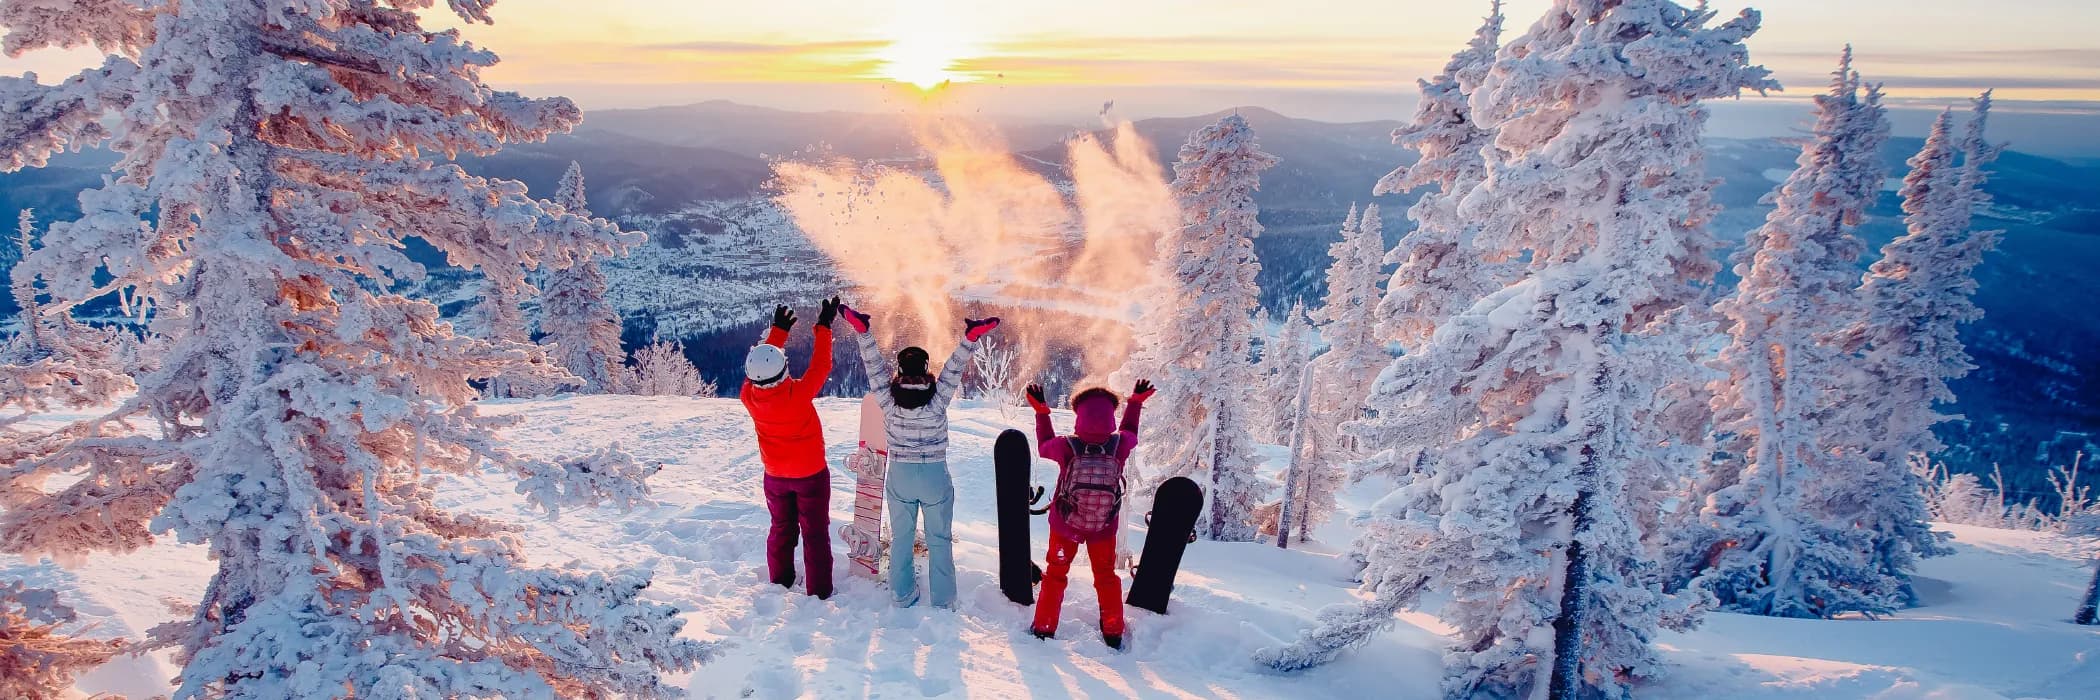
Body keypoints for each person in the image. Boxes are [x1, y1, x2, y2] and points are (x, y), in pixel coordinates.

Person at [841, 304, 999, 608]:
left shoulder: (887, 400)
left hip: (900, 474)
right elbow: (953, 369)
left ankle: (902, 594)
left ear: (899, 371)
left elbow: (873, 368)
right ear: (926, 370)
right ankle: (943, 599)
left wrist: (864, 333)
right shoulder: (937, 400)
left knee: (902, 537)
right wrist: (970, 339)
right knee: (939, 538)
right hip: (933, 474)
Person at [1025, 379, 1154, 649]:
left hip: (1065, 525)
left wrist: (1042, 412)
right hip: (1103, 527)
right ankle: (1113, 631)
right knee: (1106, 577)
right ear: (1110, 416)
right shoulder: (1118, 446)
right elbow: (1130, 431)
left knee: (1056, 574)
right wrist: (1135, 403)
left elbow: (1044, 445)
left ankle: (1044, 628)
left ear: (1079, 415)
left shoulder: (1067, 447)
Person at [740, 297, 840, 600]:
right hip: (810, 475)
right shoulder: (798, 394)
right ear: (784, 369)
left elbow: (758, 370)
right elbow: (821, 364)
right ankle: (819, 591)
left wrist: (777, 333)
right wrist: (823, 326)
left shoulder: (749, 397)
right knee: (815, 533)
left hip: (775, 477)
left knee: (782, 528)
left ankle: (780, 581)